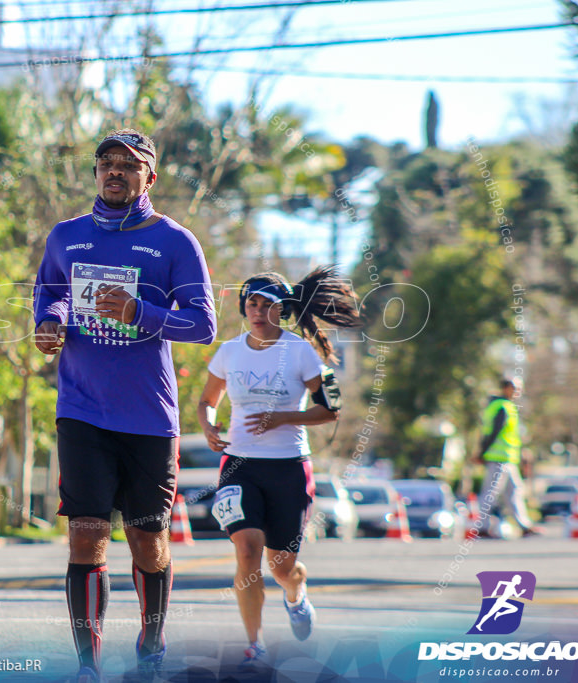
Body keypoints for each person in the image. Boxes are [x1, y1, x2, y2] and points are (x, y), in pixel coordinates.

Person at [33, 129, 216, 682]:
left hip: (148, 415)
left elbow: (203, 324)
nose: (115, 171)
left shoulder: (175, 242)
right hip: (81, 409)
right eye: (106, 163)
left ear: (149, 177)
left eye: (128, 165)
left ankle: (151, 636)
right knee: (86, 530)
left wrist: (142, 314)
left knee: (146, 536)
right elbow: (52, 293)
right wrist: (49, 323)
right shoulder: (66, 237)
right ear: (95, 173)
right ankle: (87, 664)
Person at [196, 267, 359, 668]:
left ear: (282, 310)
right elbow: (207, 401)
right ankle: (256, 644)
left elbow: (331, 408)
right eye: (252, 303)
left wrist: (284, 418)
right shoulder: (229, 351)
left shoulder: (302, 352)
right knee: (248, 552)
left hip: (288, 468)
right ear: (243, 307)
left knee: (282, 567)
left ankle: (295, 595)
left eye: (267, 304)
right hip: (240, 466)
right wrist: (208, 427)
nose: (257, 310)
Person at [475, 378, 540, 537]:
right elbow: (494, 432)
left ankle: (523, 524)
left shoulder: (509, 407)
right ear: (506, 388)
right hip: (499, 458)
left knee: (514, 491)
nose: (518, 391)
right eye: (515, 388)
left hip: (508, 459)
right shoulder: (502, 407)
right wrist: (481, 453)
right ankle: (481, 527)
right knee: (490, 492)